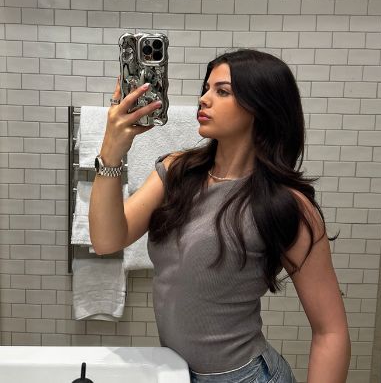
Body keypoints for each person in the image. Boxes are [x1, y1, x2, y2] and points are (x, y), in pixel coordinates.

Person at [89, 49, 351, 383]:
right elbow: (106, 240)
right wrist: (111, 151)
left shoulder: (286, 205)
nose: (203, 99)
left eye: (222, 91)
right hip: (178, 373)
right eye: (206, 88)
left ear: (261, 106)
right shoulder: (177, 171)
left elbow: (331, 332)